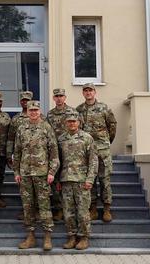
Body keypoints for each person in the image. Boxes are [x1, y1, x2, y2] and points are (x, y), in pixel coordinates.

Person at [13, 100, 59, 251]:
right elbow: (17, 152)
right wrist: (16, 172)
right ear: (27, 112)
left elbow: (54, 153)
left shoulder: (46, 128)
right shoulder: (21, 129)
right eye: (30, 110)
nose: (33, 112)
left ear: (39, 111)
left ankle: (47, 236)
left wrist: (52, 172)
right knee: (28, 206)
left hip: (42, 174)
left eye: (35, 110)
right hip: (25, 174)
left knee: (44, 206)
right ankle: (31, 236)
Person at [76, 83, 117, 222]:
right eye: (85, 91)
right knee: (90, 180)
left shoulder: (104, 108)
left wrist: (106, 142)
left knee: (104, 180)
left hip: (102, 150)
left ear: (95, 92)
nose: (88, 93)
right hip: (87, 151)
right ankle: (92, 208)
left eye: (90, 90)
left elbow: (112, 125)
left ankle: (106, 209)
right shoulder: (79, 110)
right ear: (83, 93)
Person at [58, 111, 97, 250]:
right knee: (68, 211)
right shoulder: (61, 139)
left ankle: (84, 237)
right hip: (66, 179)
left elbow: (93, 161)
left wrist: (90, 179)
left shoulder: (87, 138)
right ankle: (72, 237)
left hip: (82, 180)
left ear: (79, 123)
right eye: (69, 121)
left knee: (82, 211)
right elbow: (58, 161)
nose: (72, 123)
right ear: (65, 123)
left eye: (74, 121)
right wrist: (58, 180)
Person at [46, 88, 74, 222]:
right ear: (53, 98)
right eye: (56, 96)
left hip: (70, 152)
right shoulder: (50, 115)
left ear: (65, 97)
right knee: (56, 181)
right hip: (55, 152)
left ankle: (69, 209)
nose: (59, 98)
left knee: (68, 180)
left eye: (61, 96)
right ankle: (58, 209)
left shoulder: (72, 112)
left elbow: (81, 129)